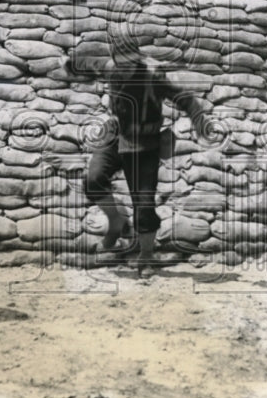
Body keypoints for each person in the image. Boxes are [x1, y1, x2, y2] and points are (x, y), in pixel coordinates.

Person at [63, 40, 210, 277]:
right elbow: (85, 62)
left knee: (143, 206)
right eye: (120, 66)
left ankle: (146, 256)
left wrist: (199, 120)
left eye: (129, 66)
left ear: (137, 60)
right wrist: (70, 63)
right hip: (115, 135)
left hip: (145, 143)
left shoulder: (152, 77)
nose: (124, 71)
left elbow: (184, 98)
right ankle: (116, 221)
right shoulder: (110, 67)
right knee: (93, 179)